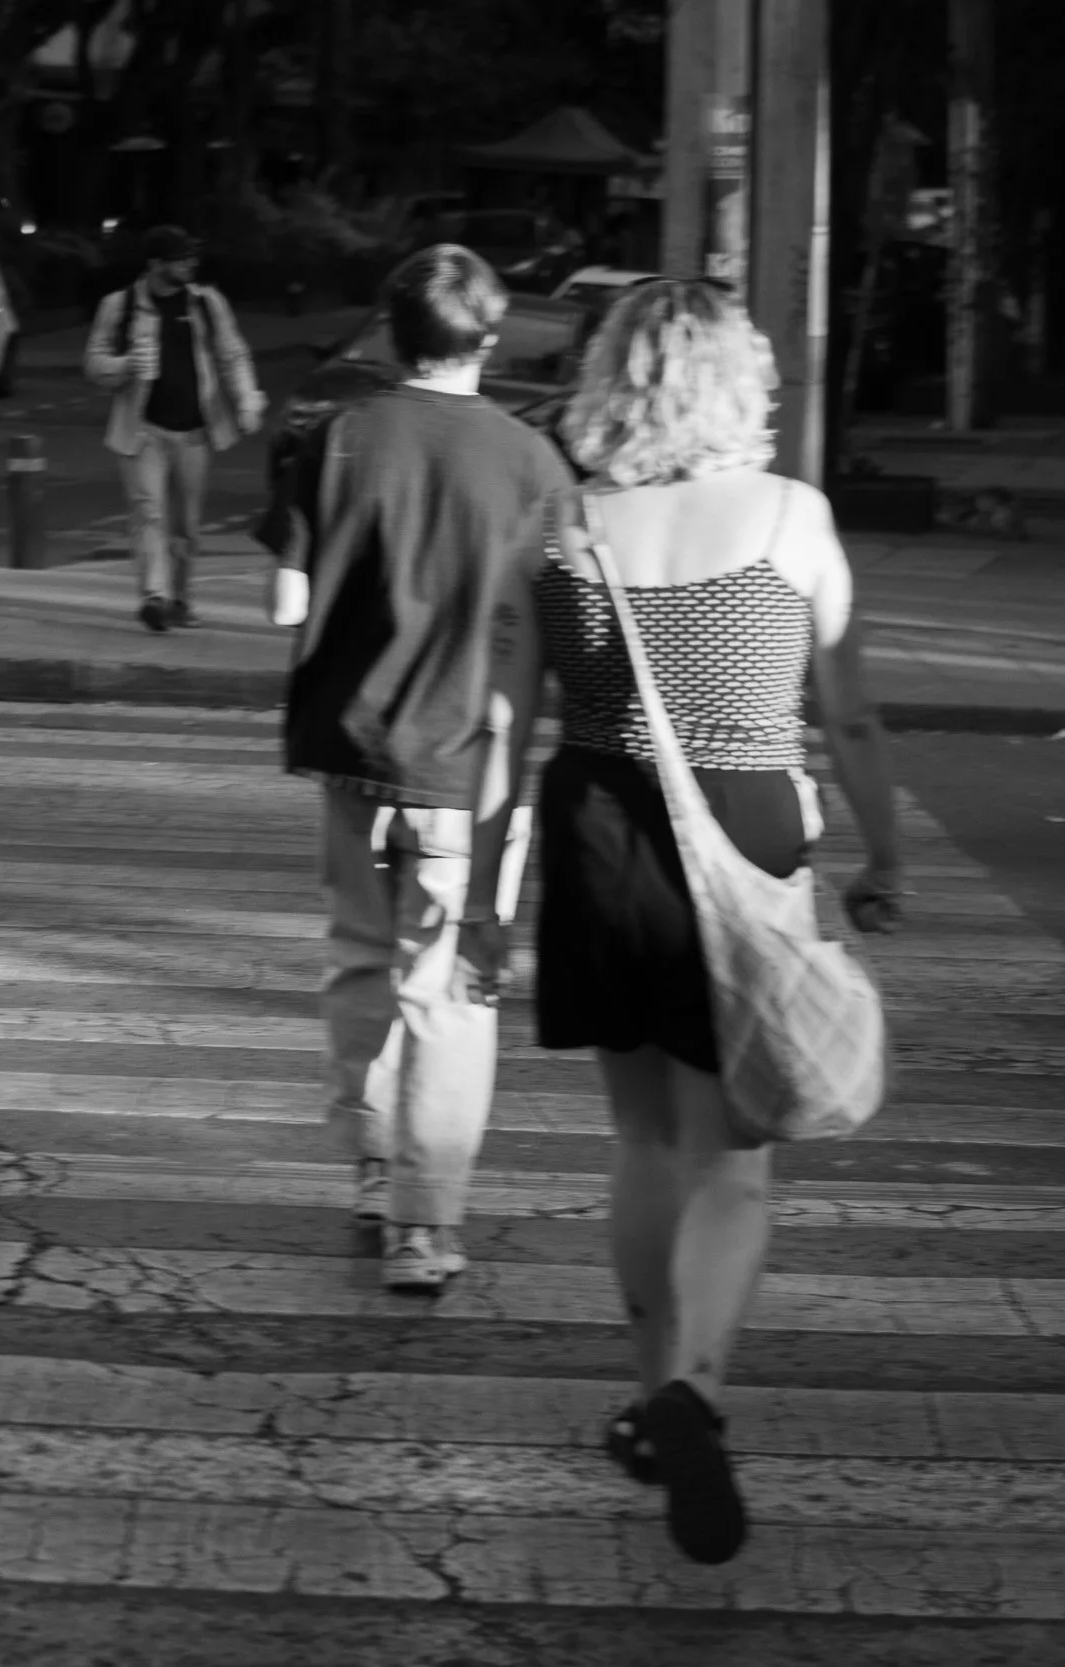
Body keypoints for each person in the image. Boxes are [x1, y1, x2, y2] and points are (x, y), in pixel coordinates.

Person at [462, 280, 904, 1566]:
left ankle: (655, 1395)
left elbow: (503, 727)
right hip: (747, 831)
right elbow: (853, 712)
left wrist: (486, 905)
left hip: (600, 829)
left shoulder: (561, 529)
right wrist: (883, 855)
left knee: (645, 1137)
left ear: (611, 380)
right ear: (738, 383)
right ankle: (695, 1389)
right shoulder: (790, 518)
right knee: (733, 1157)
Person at [261, 244, 572, 1293]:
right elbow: (559, 634)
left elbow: (287, 609)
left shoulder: (335, 437)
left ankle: (368, 1166)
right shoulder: (533, 462)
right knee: (446, 989)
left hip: (351, 752)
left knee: (358, 958)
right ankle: (422, 1226)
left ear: (390, 335)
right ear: (488, 339)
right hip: (467, 765)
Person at [82, 224, 266, 632]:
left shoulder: (206, 303)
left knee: (186, 527)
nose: (189, 264)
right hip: (143, 429)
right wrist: (125, 365)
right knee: (148, 513)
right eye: (180, 258)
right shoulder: (120, 305)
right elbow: (93, 363)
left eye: (190, 257)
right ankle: (154, 597)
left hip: (195, 432)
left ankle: (180, 599)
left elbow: (233, 354)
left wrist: (248, 398)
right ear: (156, 264)